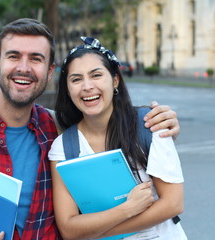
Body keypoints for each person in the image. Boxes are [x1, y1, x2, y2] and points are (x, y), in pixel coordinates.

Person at [0, 19, 180, 240]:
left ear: (50, 71)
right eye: (13, 56)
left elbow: (110, 130)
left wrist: (162, 126)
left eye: (36, 59)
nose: (24, 67)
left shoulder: (59, 130)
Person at [49, 37, 187, 240]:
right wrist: (127, 209)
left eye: (96, 75)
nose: (87, 86)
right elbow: (69, 229)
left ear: (115, 80)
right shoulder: (63, 147)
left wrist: (98, 232)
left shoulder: (151, 123)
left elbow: (173, 203)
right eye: (76, 79)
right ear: (68, 90)